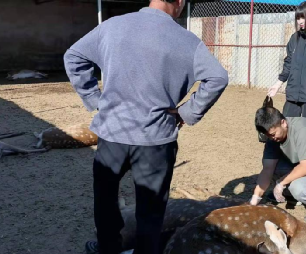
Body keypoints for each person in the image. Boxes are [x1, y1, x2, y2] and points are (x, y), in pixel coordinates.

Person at [63, 0, 229, 252]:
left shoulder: (112, 26)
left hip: (112, 134)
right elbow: (218, 77)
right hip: (156, 138)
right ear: (179, 2)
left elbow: (73, 56)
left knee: (105, 202)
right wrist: (187, 111)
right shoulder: (186, 40)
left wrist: (95, 99)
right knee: (150, 213)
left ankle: (108, 247)